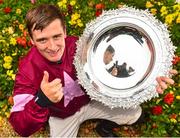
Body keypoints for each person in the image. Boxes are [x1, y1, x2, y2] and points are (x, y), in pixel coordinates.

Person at [9, 4, 177, 137]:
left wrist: (151, 77)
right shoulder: (27, 70)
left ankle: (103, 128)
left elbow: (115, 70)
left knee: (136, 113)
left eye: (57, 36)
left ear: (65, 32)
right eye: (42, 40)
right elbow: (20, 127)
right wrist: (41, 100)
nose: (52, 47)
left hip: (91, 102)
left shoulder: (81, 47)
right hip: (62, 115)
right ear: (31, 40)